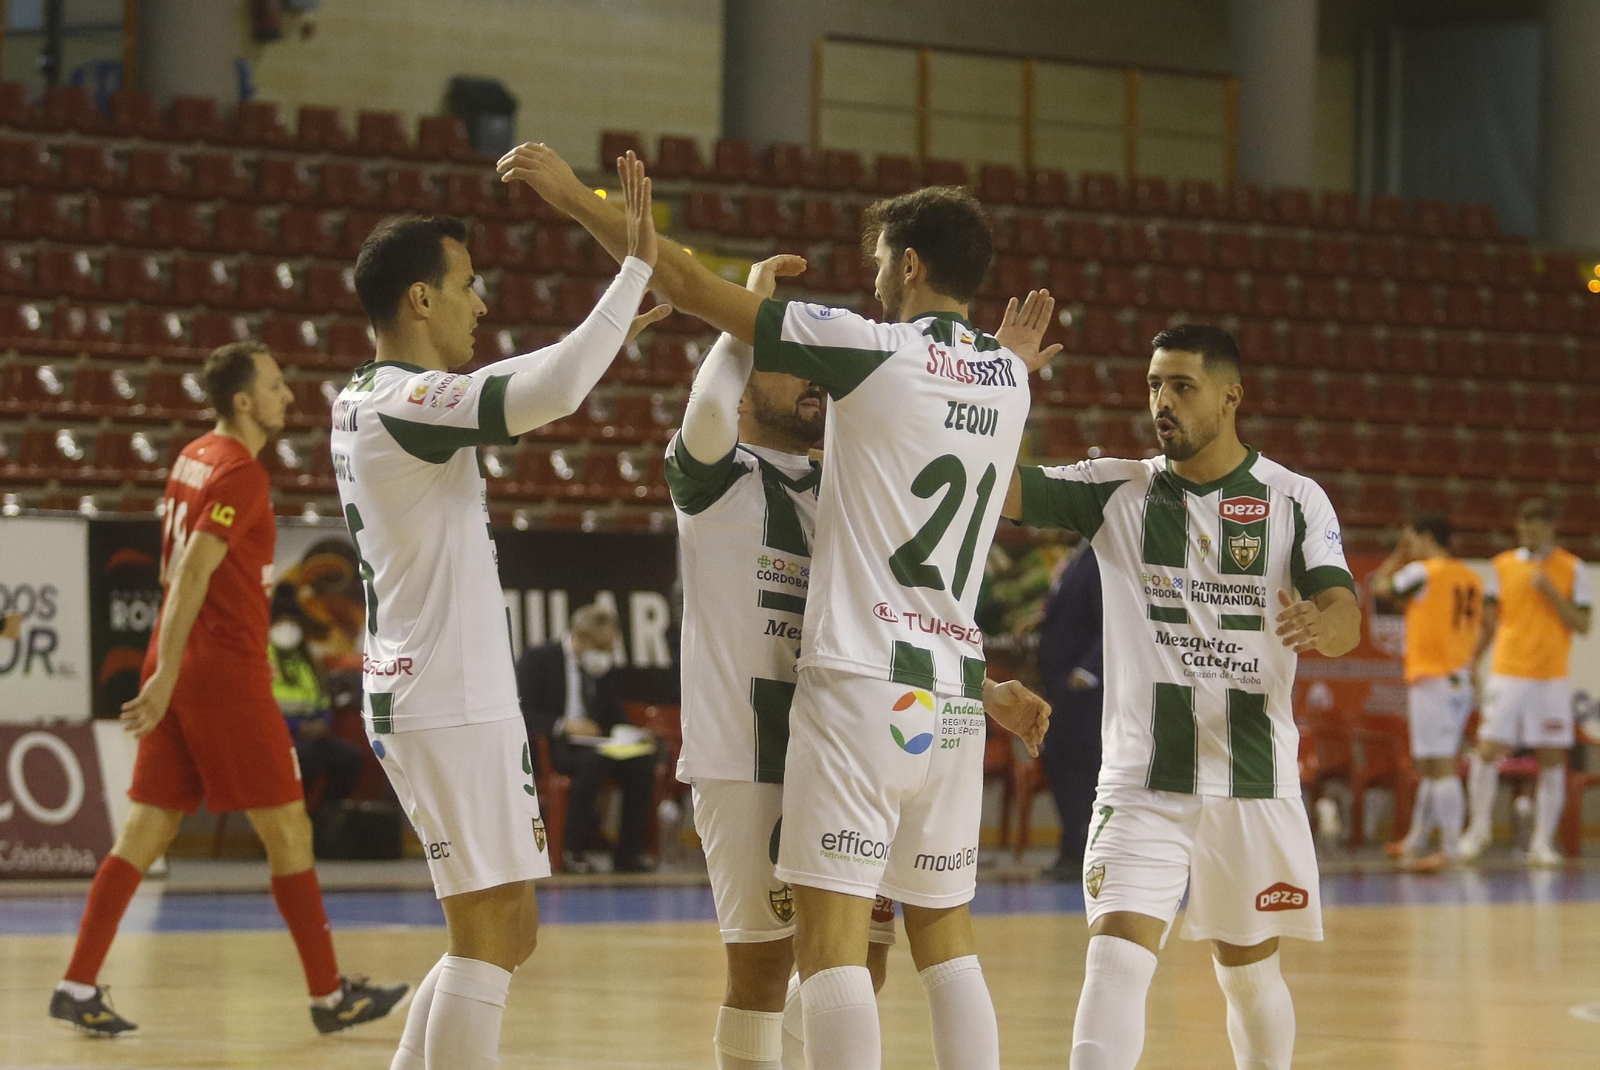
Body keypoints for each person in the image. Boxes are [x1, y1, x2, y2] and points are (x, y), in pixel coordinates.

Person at [500, 144, 1052, 1070]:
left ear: (909, 265)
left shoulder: (870, 354)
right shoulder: (1004, 380)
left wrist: (573, 199)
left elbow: (683, 277)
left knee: (839, 959)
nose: (872, 285)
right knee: (936, 945)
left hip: (857, 694)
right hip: (933, 702)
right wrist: (1009, 364)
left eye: (880, 265)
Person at [331, 158, 669, 1070]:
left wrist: (599, 337)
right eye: (468, 283)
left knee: (501, 932)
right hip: (448, 695)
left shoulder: (366, 397)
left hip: (436, 688)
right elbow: (549, 391)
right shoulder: (401, 402)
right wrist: (633, 264)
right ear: (420, 300)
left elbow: (541, 379)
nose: (482, 301)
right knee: (492, 933)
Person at [1002, 323, 1362, 1070]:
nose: (1161, 402)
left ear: (1231, 397)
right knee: (1115, 961)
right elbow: (995, 488)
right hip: (1141, 780)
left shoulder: (1294, 499)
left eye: (1181, 386)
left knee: (1250, 975)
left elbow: (1345, 612)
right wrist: (1002, 380)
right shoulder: (1116, 489)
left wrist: (1320, 625)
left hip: (1251, 779)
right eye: (1153, 386)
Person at [49, 342, 408, 1037]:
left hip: (183, 658)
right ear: (242, 400)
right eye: (274, 385)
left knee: (147, 829)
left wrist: (164, 668)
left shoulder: (193, 454)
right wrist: (167, 674)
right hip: (221, 668)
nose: (287, 396)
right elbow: (190, 574)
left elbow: (182, 574)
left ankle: (76, 982)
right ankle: (330, 997)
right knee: (287, 827)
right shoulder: (241, 474)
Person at [667, 255, 901, 1070]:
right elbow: (705, 408)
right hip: (748, 751)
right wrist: (747, 316)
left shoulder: (851, 486)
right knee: (763, 970)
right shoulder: (715, 478)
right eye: (789, 358)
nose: (813, 379)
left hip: (844, 747)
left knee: (859, 960)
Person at [1461, 497, 1592, 866]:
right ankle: (1479, 831)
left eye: (1537, 525)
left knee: (1551, 758)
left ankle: (1542, 842)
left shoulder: (1572, 568)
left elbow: (1582, 625)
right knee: (1487, 750)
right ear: (1518, 528)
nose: (1530, 531)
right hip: (1508, 672)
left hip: (1550, 676)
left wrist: (1551, 593)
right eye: (1524, 525)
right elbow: (1488, 622)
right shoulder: (1501, 566)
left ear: (1551, 528)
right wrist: (1473, 659)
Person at [1371, 513, 1482, 871]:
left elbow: (1381, 587)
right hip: (1451, 676)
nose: (1411, 546)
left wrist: (1399, 554)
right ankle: (1417, 839)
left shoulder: (1424, 571)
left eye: (1413, 538)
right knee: (1432, 764)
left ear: (1425, 537)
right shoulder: (1469, 576)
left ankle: (1450, 847)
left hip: (1437, 677)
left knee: (1441, 764)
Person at [517, 603, 657, 874]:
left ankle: (628, 855)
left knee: (641, 764)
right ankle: (572, 850)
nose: (604, 655)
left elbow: (614, 713)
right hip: (556, 746)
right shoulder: (539, 659)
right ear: (579, 637)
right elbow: (524, 712)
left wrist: (634, 735)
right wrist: (564, 725)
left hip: (598, 746)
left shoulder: (600, 668)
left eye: (608, 649)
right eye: (600, 647)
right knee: (595, 763)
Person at [1035, 537, 1104, 881]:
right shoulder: (1078, 554)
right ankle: (1072, 846)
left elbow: (1108, 621)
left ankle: (1081, 851)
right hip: (1060, 683)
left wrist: (1088, 670)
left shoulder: (1101, 557)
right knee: (1059, 761)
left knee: (1080, 766)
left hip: (1084, 689)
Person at [268, 585, 363, 815]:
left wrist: (324, 723)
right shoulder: (262, 654)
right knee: (305, 760)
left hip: (313, 736)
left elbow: (321, 700)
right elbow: (257, 708)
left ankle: (322, 818)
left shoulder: (308, 657)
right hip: (277, 738)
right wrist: (298, 727)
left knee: (350, 758)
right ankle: (291, 825)